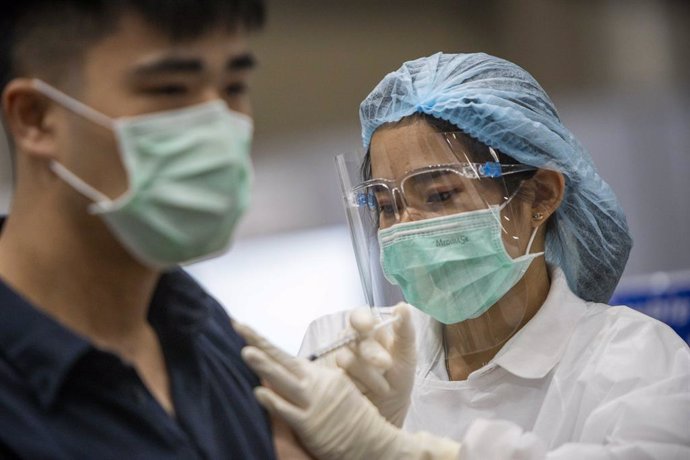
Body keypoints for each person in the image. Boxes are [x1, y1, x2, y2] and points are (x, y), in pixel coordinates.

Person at [240, 53, 690, 459]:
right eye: (386, 206)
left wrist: (399, 452)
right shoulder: (352, 354)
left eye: (438, 195)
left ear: (539, 196)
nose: (406, 226)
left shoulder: (635, 362)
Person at [0, 1, 314, 458]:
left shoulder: (204, 329)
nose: (218, 123)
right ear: (35, 117)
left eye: (234, 86)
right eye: (170, 89)